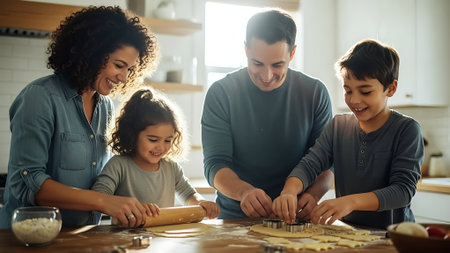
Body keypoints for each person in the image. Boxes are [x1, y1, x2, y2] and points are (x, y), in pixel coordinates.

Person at [0, 6, 158, 228]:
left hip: (83, 237)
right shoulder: (39, 97)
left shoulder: (106, 107)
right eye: (119, 65)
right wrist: (104, 202)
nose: (123, 77)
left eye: (129, 70)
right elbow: (27, 185)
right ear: (91, 53)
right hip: (30, 238)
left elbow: (102, 179)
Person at [273, 39, 424, 229]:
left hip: (392, 237)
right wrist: (289, 191)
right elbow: (310, 164)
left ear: (391, 88)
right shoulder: (338, 126)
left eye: (366, 91)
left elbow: (402, 191)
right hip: (348, 233)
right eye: (348, 90)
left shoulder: (407, 130)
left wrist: (350, 202)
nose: (354, 100)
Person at [201, 9, 334, 219]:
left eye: (277, 65)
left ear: (292, 53)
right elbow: (215, 165)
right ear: (246, 50)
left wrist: (314, 195)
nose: (266, 75)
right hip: (234, 218)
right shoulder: (221, 93)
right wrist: (244, 192)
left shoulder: (315, 93)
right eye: (257, 63)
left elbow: (327, 164)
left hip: (294, 220)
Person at [92, 89, 220, 220]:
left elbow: (188, 194)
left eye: (168, 140)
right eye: (153, 140)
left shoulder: (171, 167)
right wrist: (135, 209)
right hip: (127, 238)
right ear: (132, 135)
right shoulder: (118, 165)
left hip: (163, 238)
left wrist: (201, 202)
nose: (161, 147)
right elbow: (99, 197)